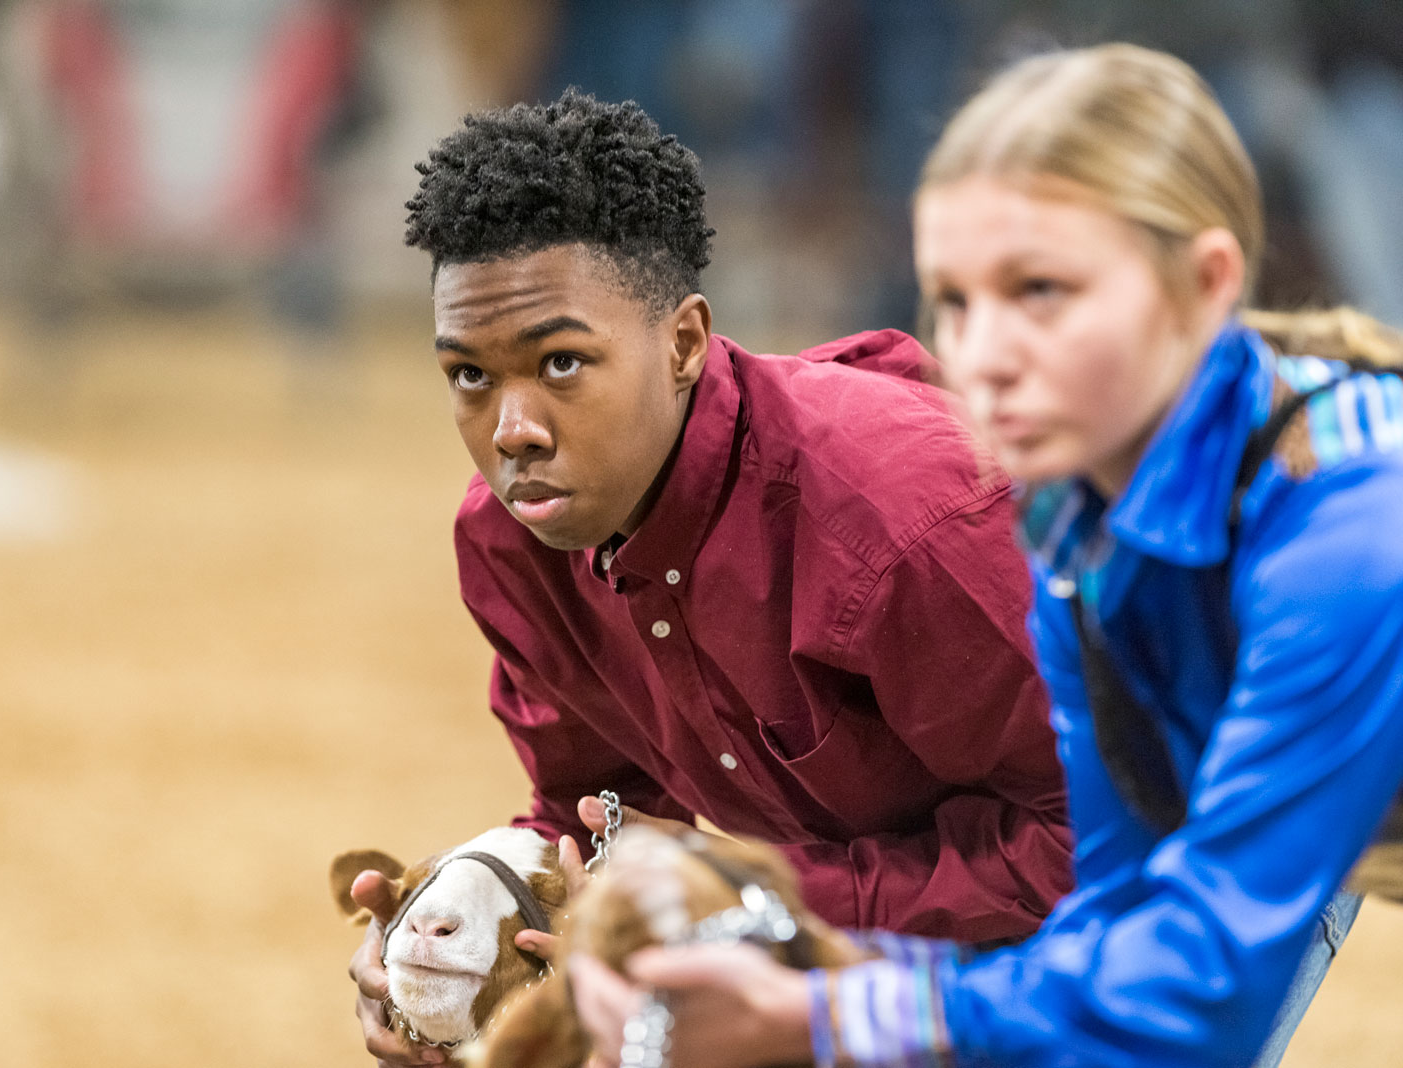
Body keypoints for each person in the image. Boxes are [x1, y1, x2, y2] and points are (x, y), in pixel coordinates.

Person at [563, 43, 1403, 1068]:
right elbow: (1110, 919)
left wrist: (822, 1017)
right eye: (957, 300)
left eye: (1040, 290)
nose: (988, 354)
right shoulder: (1075, 533)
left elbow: (1203, 986)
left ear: (1205, 283)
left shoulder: (1355, 532)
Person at [343, 90, 1076, 1066]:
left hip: (1194, 856)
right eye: (469, 376)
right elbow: (586, 821)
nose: (511, 429)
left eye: (560, 362)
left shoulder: (900, 523)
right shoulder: (511, 546)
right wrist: (466, 930)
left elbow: (1100, 838)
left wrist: (751, 904)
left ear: (684, 342)